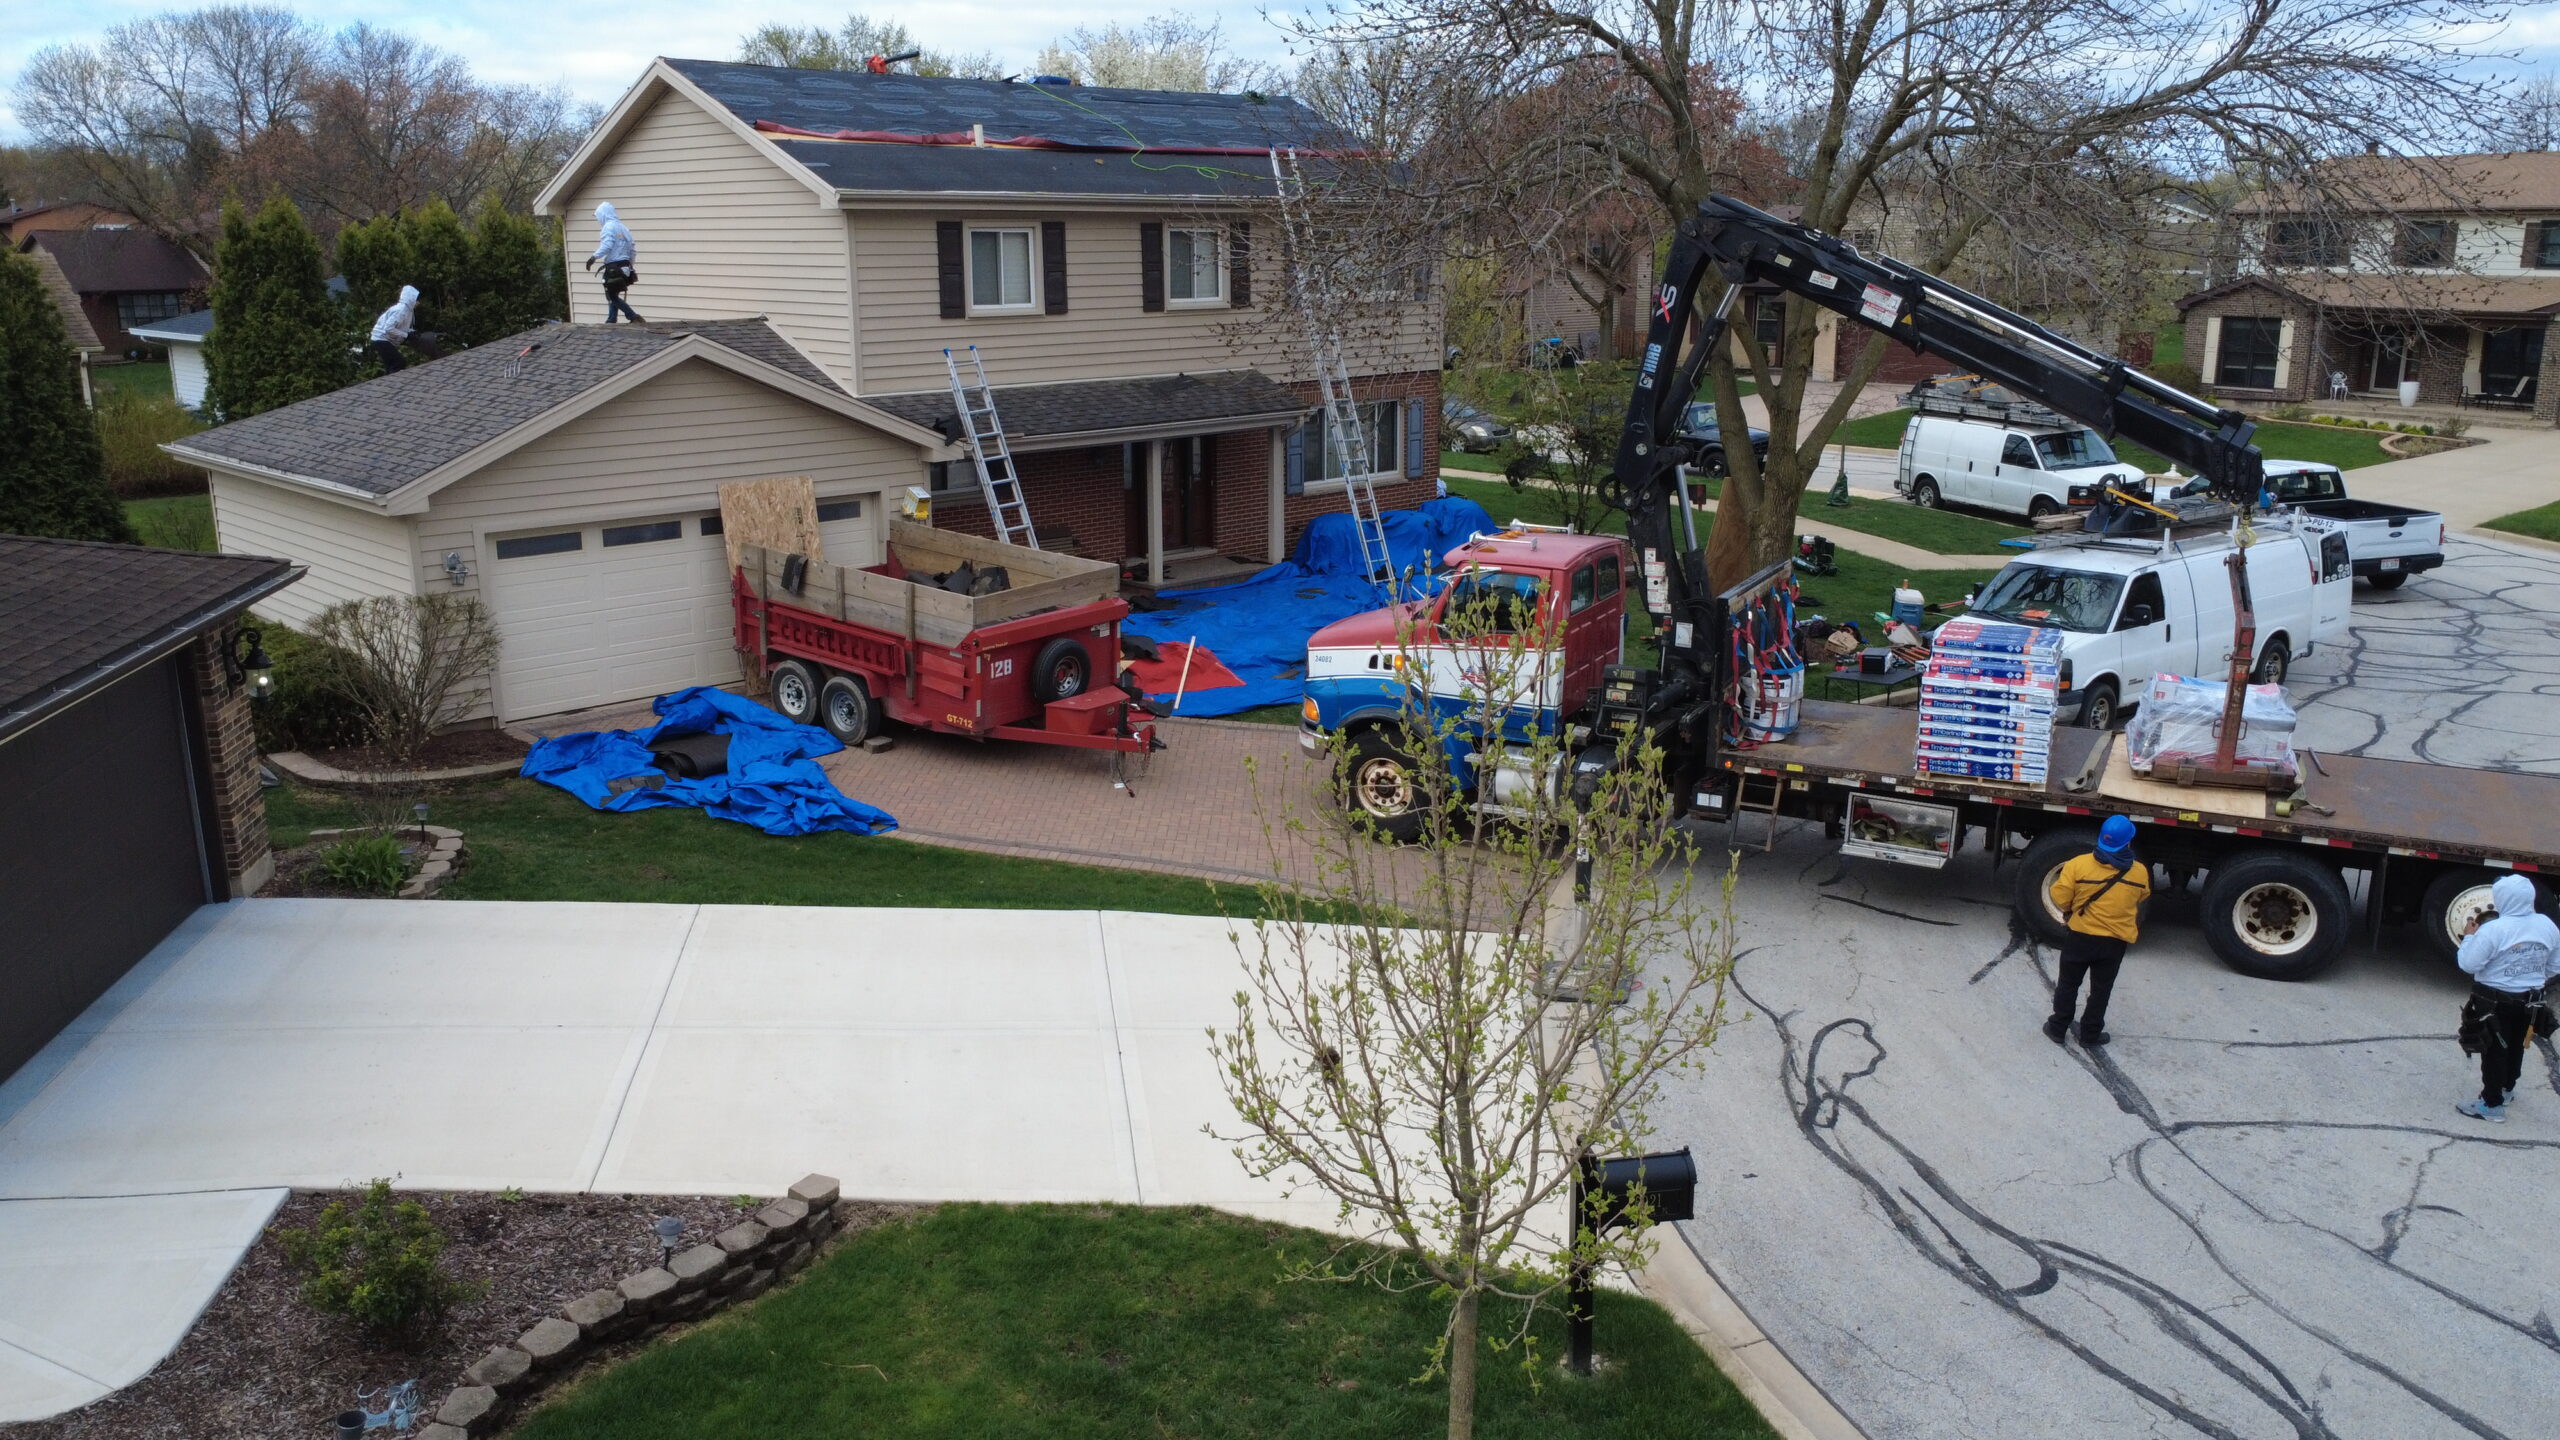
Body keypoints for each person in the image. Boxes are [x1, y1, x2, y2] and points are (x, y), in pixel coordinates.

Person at [2454, 875, 2559, 1123]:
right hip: (2531, 1002)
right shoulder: (2546, 925)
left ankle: (2491, 1105)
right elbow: (2555, 965)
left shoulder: (2494, 929)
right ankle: (2506, 1089)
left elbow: (2468, 963)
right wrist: (2529, 976)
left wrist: (2469, 937)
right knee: (2516, 1047)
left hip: (2495, 1003)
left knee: (2494, 1051)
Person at [2045, 816, 2151, 1047]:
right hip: (2114, 942)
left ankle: (2057, 1028)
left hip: (2080, 937)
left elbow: (2060, 897)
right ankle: (2090, 1035)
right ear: (2128, 842)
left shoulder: (2077, 865)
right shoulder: (2140, 872)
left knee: (2068, 984)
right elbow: (2142, 896)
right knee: (2101, 989)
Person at [587, 201, 643, 323]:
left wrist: (593, 258)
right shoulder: (624, 228)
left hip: (613, 268)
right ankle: (611, 319)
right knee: (613, 293)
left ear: (603, 215)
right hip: (625, 268)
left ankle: (633, 317)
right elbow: (632, 250)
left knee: (611, 295)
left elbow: (607, 245)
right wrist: (630, 266)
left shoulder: (608, 227)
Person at [367, 285, 445, 373]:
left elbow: (402, 326)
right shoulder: (401, 310)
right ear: (411, 299)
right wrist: (406, 335)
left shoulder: (408, 310)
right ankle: (394, 382)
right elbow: (388, 328)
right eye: (416, 300)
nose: (418, 303)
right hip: (381, 338)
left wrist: (411, 332)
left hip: (383, 339)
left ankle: (390, 381)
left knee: (391, 364)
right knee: (398, 362)